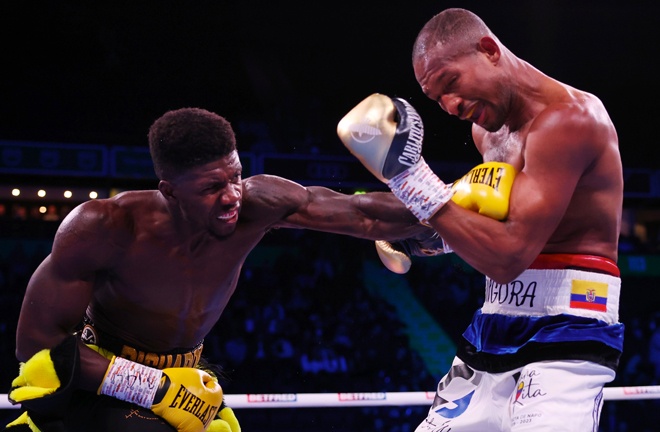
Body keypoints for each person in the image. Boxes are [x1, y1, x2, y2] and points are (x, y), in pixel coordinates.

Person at [4, 107, 443, 432]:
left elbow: (362, 213)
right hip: (104, 374)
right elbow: (36, 343)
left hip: (191, 374)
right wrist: (154, 387)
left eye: (235, 176)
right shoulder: (107, 226)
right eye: (212, 187)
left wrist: (446, 210)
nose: (232, 195)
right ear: (169, 191)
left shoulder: (258, 202)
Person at [339, 7, 624, 431]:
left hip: (571, 320)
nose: (450, 106)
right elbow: (506, 216)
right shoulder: (486, 133)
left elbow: (509, 256)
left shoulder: (570, 119)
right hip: (495, 319)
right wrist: (436, 239)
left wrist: (412, 180)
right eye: (437, 99)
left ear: (489, 51)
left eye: (451, 83)